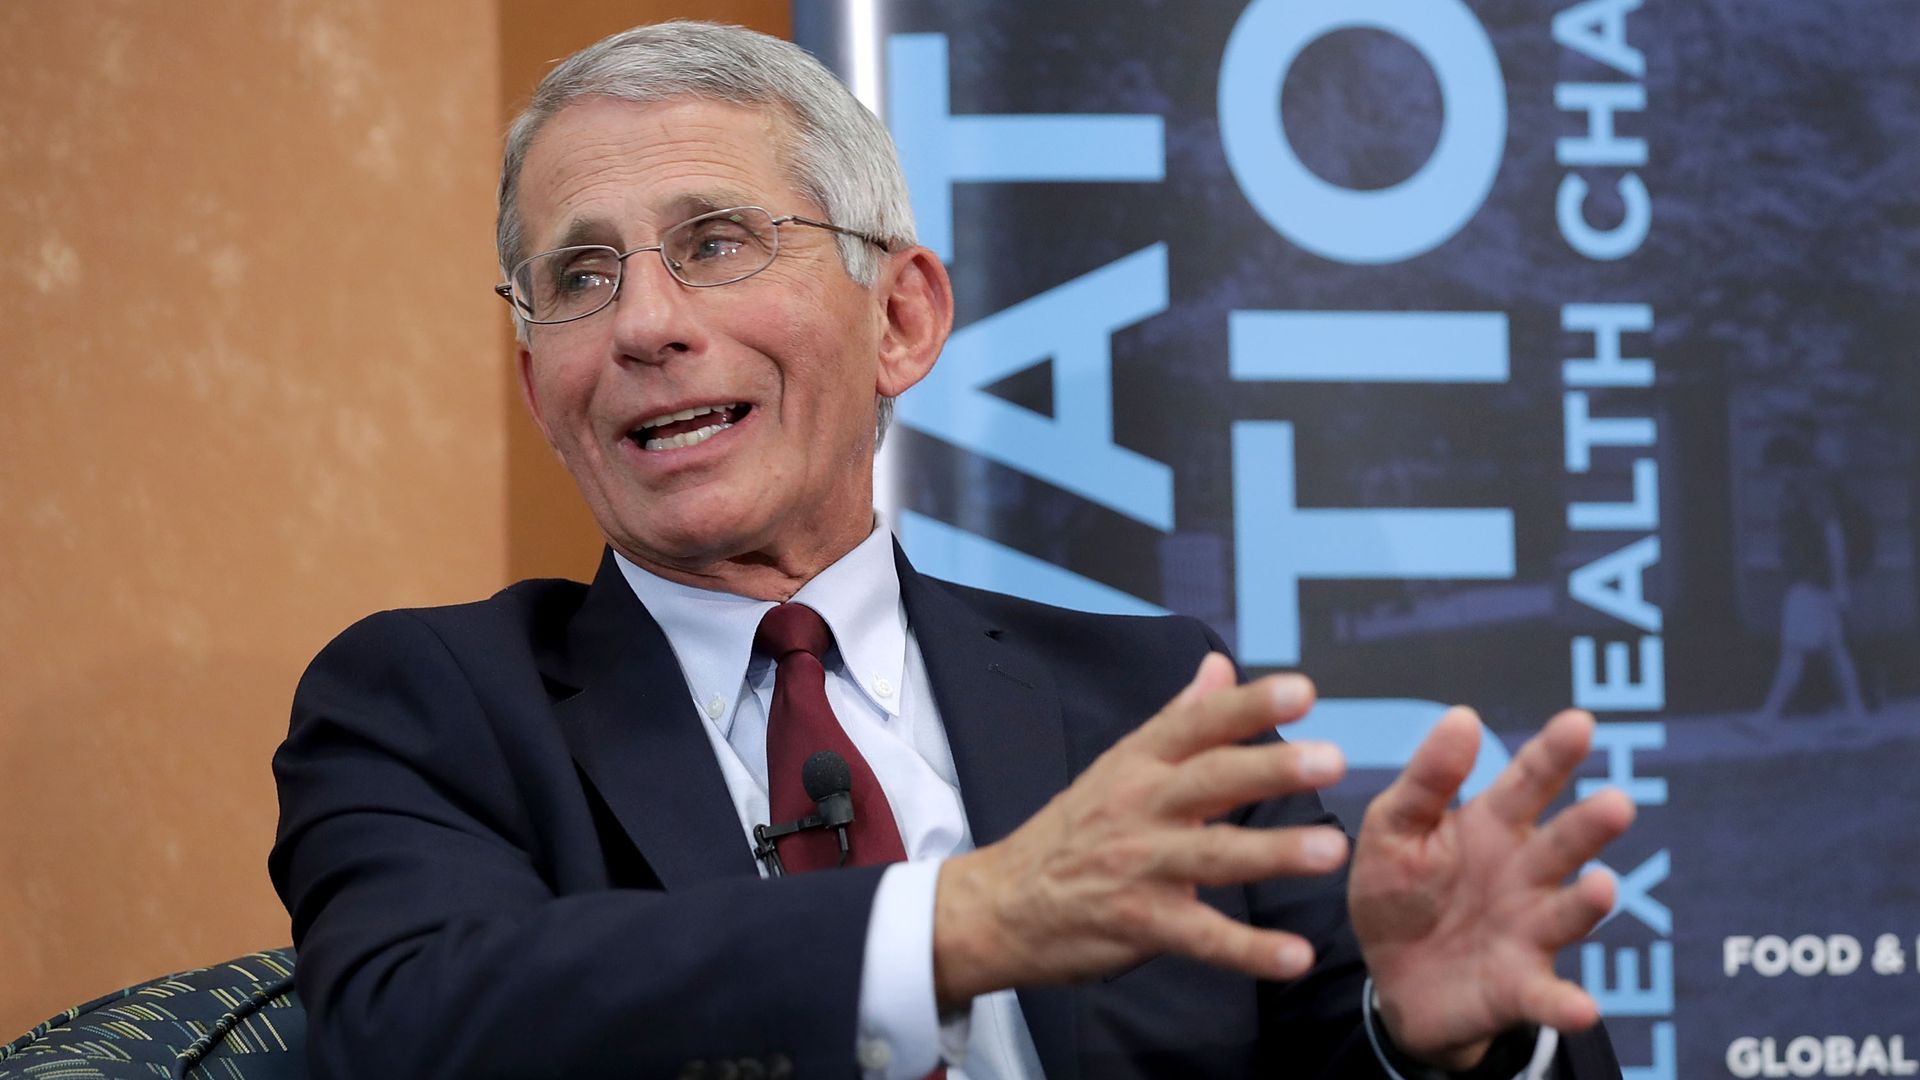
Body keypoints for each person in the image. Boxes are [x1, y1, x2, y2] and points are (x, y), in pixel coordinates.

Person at [270, 21, 1634, 1080]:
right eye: (580, 277)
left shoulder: (1147, 705)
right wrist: (958, 924)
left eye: (716, 242)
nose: (644, 324)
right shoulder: (435, 702)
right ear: (538, 387)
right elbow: (407, 1025)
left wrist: (1439, 1040)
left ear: (902, 321)